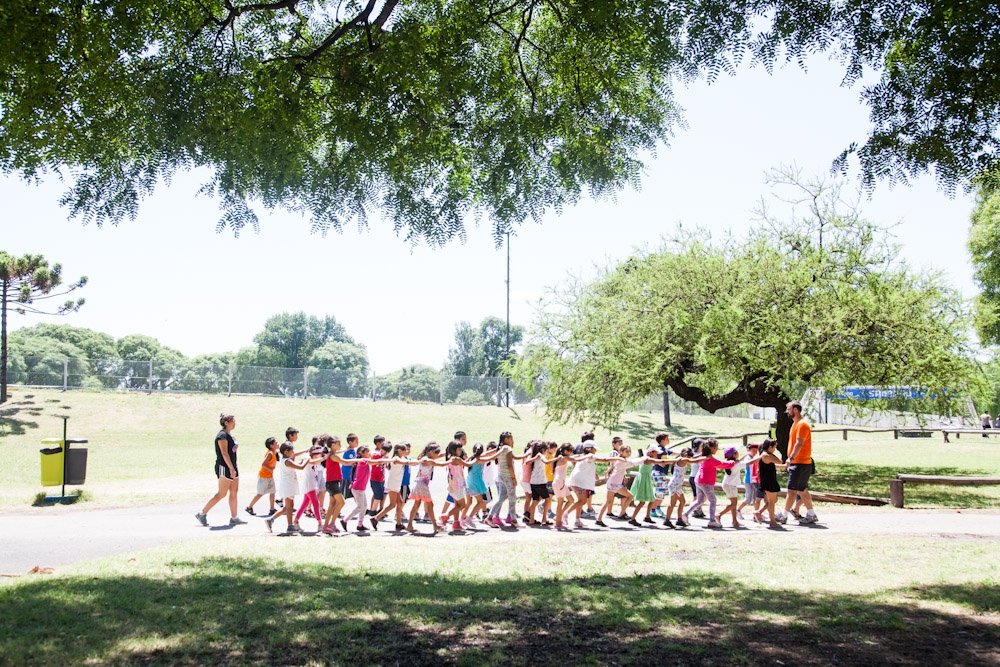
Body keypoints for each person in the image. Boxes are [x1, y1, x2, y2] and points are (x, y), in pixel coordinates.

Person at [196, 414, 247, 527]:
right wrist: (231, 468)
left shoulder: (230, 435)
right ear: (226, 423)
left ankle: (234, 517)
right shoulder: (222, 435)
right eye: (233, 421)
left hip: (233, 466)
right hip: (225, 466)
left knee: (234, 491)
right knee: (222, 493)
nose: (235, 423)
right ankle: (202, 513)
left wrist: (234, 467)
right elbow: (224, 453)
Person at [776, 400, 819, 525]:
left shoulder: (802, 424)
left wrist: (791, 458)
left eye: (789, 409)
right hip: (799, 463)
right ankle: (811, 514)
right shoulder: (795, 424)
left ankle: (783, 515)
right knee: (802, 489)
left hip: (800, 463)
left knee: (792, 489)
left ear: (796, 410)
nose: (787, 412)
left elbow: (799, 443)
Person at [682, 438, 734, 529]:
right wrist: (732, 462)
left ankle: (685, 514)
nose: (717, 449)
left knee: (700, 500)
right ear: (712, 448)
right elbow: (722, 464)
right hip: (706, 482)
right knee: (713, 501)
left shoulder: (703, 455)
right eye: (716, 447)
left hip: (699, 481)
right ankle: (712, 521)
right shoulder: (710, 459)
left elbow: (695, 457)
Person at [406, 442, 453, 534]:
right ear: (431, 452)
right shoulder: (427, 460)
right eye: (436, 453)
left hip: (420, 483)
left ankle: (410, 525)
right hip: (422, 484)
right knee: (429, 505)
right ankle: (435, 525)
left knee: (417, 505)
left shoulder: (427, 457)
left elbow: (440, 455)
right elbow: (442, 464)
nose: (437, 455)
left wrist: (448, 450)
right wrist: (452, 460)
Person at [756, 438, 786, 528]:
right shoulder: (767, 456)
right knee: (771, 502)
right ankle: (772, 521)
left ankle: (759, 512)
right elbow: (779, 460)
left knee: (773, 500)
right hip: (769, 481)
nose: (775, 450)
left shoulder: (765, 455)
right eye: (774, 448)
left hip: (769, 480)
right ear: (770, 447)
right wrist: (777, 453)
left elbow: (773, 464)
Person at [245, 437, 279, 516]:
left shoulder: (274, 452)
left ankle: (272, 508)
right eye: (276, 443)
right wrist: (270, 469)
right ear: (271, 445)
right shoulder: (270, 453)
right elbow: (263, 464)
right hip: (264, 477)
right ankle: (249, 507)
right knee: (260, 493)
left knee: (272, 491)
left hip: (270, 476)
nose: (277, 444)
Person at [369, 436, 389, 515]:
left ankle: (379, 509)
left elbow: (387, 466)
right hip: (375, 477)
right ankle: (372, 510)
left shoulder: (385, 454)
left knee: (381, 494)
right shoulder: (375, 453)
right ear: (378, 444)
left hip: (382, 476)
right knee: (376, 494)